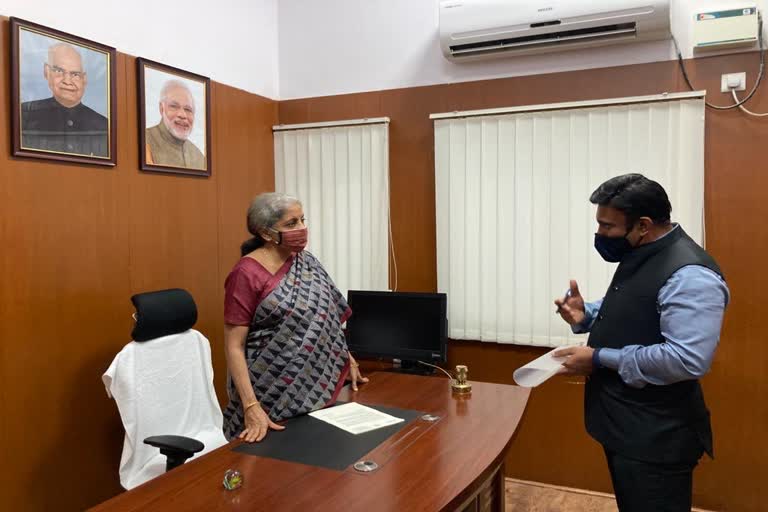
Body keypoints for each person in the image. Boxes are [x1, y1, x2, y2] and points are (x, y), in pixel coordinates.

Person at [553, 174, 729, 512]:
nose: (600, 235)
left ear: (644, 224)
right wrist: (586, 314)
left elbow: (687, 359)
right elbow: (638, 304)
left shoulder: (691, 276)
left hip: (657, 438)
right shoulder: (644, 250)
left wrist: (599, 358)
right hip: (626, 427)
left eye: (607, 227)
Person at [222, 192, 368, 443]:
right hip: (268, 392)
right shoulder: (245, 273)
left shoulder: (306, 261)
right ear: (266, 233)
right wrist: (250, 406)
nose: (302, 228)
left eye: (302, 220)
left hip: (315, 388)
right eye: (291, 224)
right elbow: (234, 346)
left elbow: (326, 317)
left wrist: (348, 359)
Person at [21, 42, 108, 157]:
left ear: (84, 79)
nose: (67, 81)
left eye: (75, 74)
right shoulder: (23, 115)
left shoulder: (104, 125)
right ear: (47, 72)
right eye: (59, 71)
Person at [145, 79, 206, 170]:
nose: (182, 115)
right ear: (162, 109)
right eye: (174, 106)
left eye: (188, 109)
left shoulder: (198, 156)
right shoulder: (144, 140)